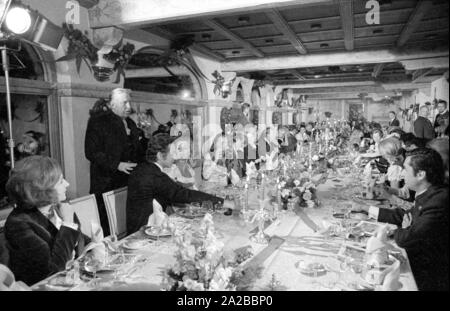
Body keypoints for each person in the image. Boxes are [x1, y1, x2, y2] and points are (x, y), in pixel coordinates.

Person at [353, 148, 449, 291]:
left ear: (421, 174)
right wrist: (367, 209)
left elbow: (406, 238)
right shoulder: (429, 192)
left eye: (405, 169)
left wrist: (405, 229)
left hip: (429, 275)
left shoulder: (438, 200)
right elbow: (402, 215)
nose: (403, 173)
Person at [126, 134, 234, 234]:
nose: (175, 156)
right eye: (172, 153)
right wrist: (225, 203)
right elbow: (184, 194)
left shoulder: (144, 168)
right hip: (143, 233)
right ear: (160, 155)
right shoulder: (155, 175)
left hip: (146, 226)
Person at [4, 156, 87, 285]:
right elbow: (52, 271)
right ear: (42, 189)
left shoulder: (59, 206)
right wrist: (68, 225)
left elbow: (79, 242)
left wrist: (97, 245)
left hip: (76, 281)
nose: (67, 184)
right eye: (60, 181)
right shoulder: (19, 223)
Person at [85, 89, 144, 235]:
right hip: (106, 183)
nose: (129, 107)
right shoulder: (98, 122)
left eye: (129, 102)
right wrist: (117, 164)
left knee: (126, 223)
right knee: (108, 227)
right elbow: (91, 152)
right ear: (112, 105)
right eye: (125, 103)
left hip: (128, 182)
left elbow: (136, 151)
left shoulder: (130, 122)